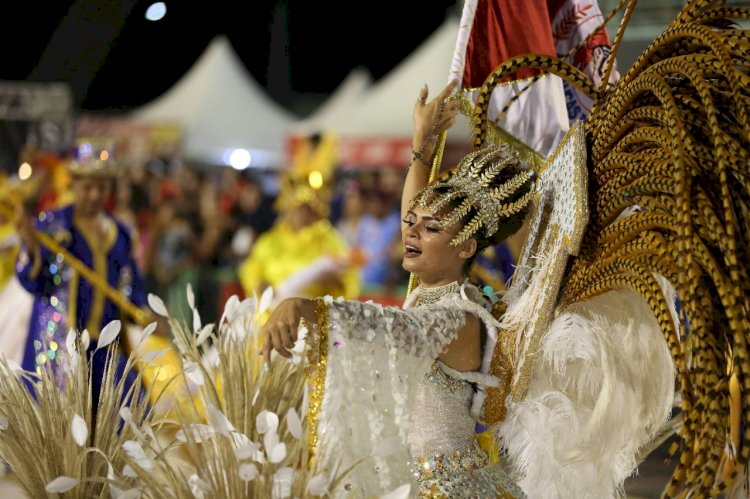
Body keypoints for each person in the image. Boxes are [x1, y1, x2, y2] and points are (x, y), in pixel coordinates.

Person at [261, 80, 530, 496]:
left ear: (466, 247)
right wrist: (422, 140)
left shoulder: (459, 317)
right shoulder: (430, 288)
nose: (413, 232)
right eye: (411, 223)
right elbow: (416, 211)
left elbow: (388, 328)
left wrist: (307, 308)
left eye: (431, 227)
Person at [15, 139, 151, 409]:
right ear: (73, 184)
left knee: (130, 414)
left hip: (108, 348)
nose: (93, 195)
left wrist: (144, 309)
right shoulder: (53, 227)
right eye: (87, 187)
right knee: (60, 427)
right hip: (60, 348)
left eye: (101, 187)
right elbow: (33, 282)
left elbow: (132, 286)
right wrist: (31, 248)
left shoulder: (121, 234)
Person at [237, 132, 361, 303]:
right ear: (288, 210)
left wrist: (335, 283)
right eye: (297, 209)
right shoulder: (271, 240)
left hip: (312, 320)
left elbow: (349, 282)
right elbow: (251, 270)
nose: (302, 214)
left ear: (317, 211)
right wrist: (260, 286)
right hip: (271, 314)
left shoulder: (331, 241)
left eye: (308, 209)